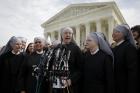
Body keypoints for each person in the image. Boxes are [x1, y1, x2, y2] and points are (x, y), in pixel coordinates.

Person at [50, 27, 82, 93]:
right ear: (62, 35)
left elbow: (80, 68)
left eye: (70, 33)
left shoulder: (76, 48)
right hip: (56, 84)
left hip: (70, 85)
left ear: (72, 35)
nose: (68, 35)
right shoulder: (57, 48)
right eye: (65, 33)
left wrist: (71, 80)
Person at [112, 24, 138, 93]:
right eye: (113, 31)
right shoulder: (114, 48)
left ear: (124, 34)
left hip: (124, 87)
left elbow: (132, 72)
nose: (113, 34)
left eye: (117, 31)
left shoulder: (129, 48)